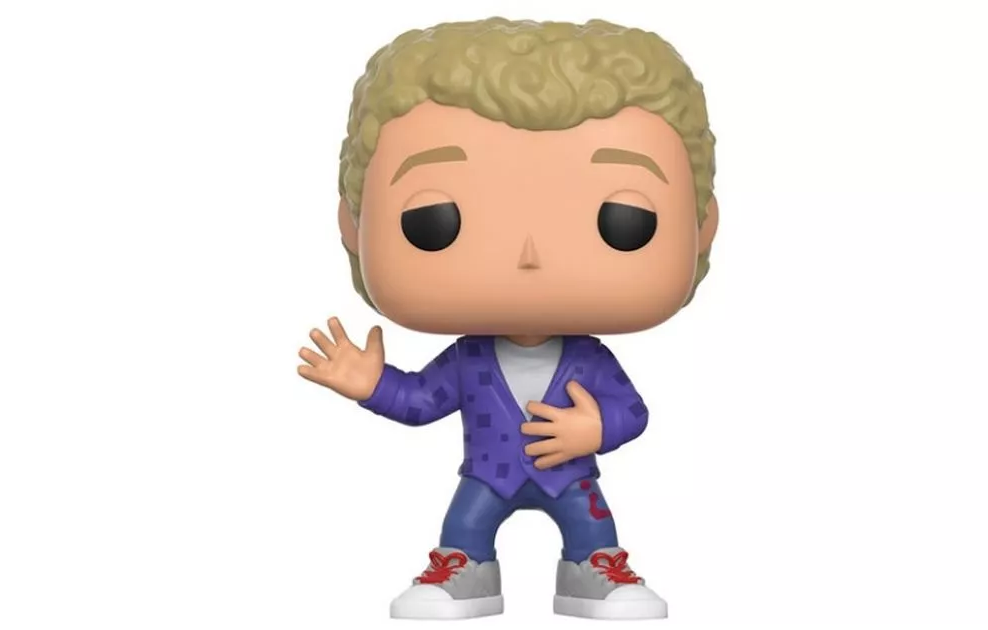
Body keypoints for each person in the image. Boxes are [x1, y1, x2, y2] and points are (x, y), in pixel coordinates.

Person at [297, 17, 718, 620]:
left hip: (571, 477)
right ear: (353, 227)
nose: (529, 255)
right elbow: (421, 401)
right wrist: (372, 385)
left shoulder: (589, 360)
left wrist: (595, 429)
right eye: (433, 221)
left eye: (624, 221)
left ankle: (595, 572)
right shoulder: (468, 359)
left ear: (701, 228)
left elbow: (633, 412)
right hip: (487, 475)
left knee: (592, 528)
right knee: (464, 528)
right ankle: (462, 571)